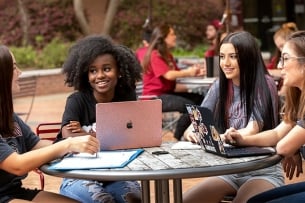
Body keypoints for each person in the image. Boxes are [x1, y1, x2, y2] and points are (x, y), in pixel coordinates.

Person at [182, 31, 284, 203]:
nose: (225, 63)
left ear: (247, 58)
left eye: (233, 57)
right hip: (229, 171)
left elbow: (253, 129)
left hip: (262, 170)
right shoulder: (220, 85)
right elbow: (194, 122)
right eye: (222, 56)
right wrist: (192, 133)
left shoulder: (264, 82)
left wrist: (227, 137)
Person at [0, 45, 100, 202]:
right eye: (13, 68)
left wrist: (75, 143)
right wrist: (67, 145)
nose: (20, 72)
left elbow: (37, 145)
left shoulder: (9, 117)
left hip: (15, 192)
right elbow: (16, 165)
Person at [56, 35, 142, 203]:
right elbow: (68, 136)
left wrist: (86, 136)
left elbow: (135, 135)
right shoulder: (76, 100)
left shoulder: (126, 96)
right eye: (93, 71)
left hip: (117, 172)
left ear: (119, 71)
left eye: (107, 68)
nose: (100, 75)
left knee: (133, 199)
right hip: (79, 173)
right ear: (85, 75)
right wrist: (114, 137)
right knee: (101, 200)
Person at [223, 31, 305, 203]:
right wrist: (241, 140)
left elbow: (283, 147)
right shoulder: (299, 100)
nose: (280, 66)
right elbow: (276, 134)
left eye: (286, 58)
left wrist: (292, 147)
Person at [141, 22, 205, 140]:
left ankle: (198, 134)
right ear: (163, 38)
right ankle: (177, 137)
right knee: (192, 106)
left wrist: (196, 73)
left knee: (201, 100)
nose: (175, 37)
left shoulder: (167, 55)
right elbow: (169, 75)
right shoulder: (155, 55)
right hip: (154, 98)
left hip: (167, 94)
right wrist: (189, 72)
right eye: (172, 34)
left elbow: (178, 74)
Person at [266, 22, 298, 96]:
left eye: (282, 46)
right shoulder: (277, 57)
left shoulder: (295, 58)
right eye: (278, 47)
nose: (281, 50)